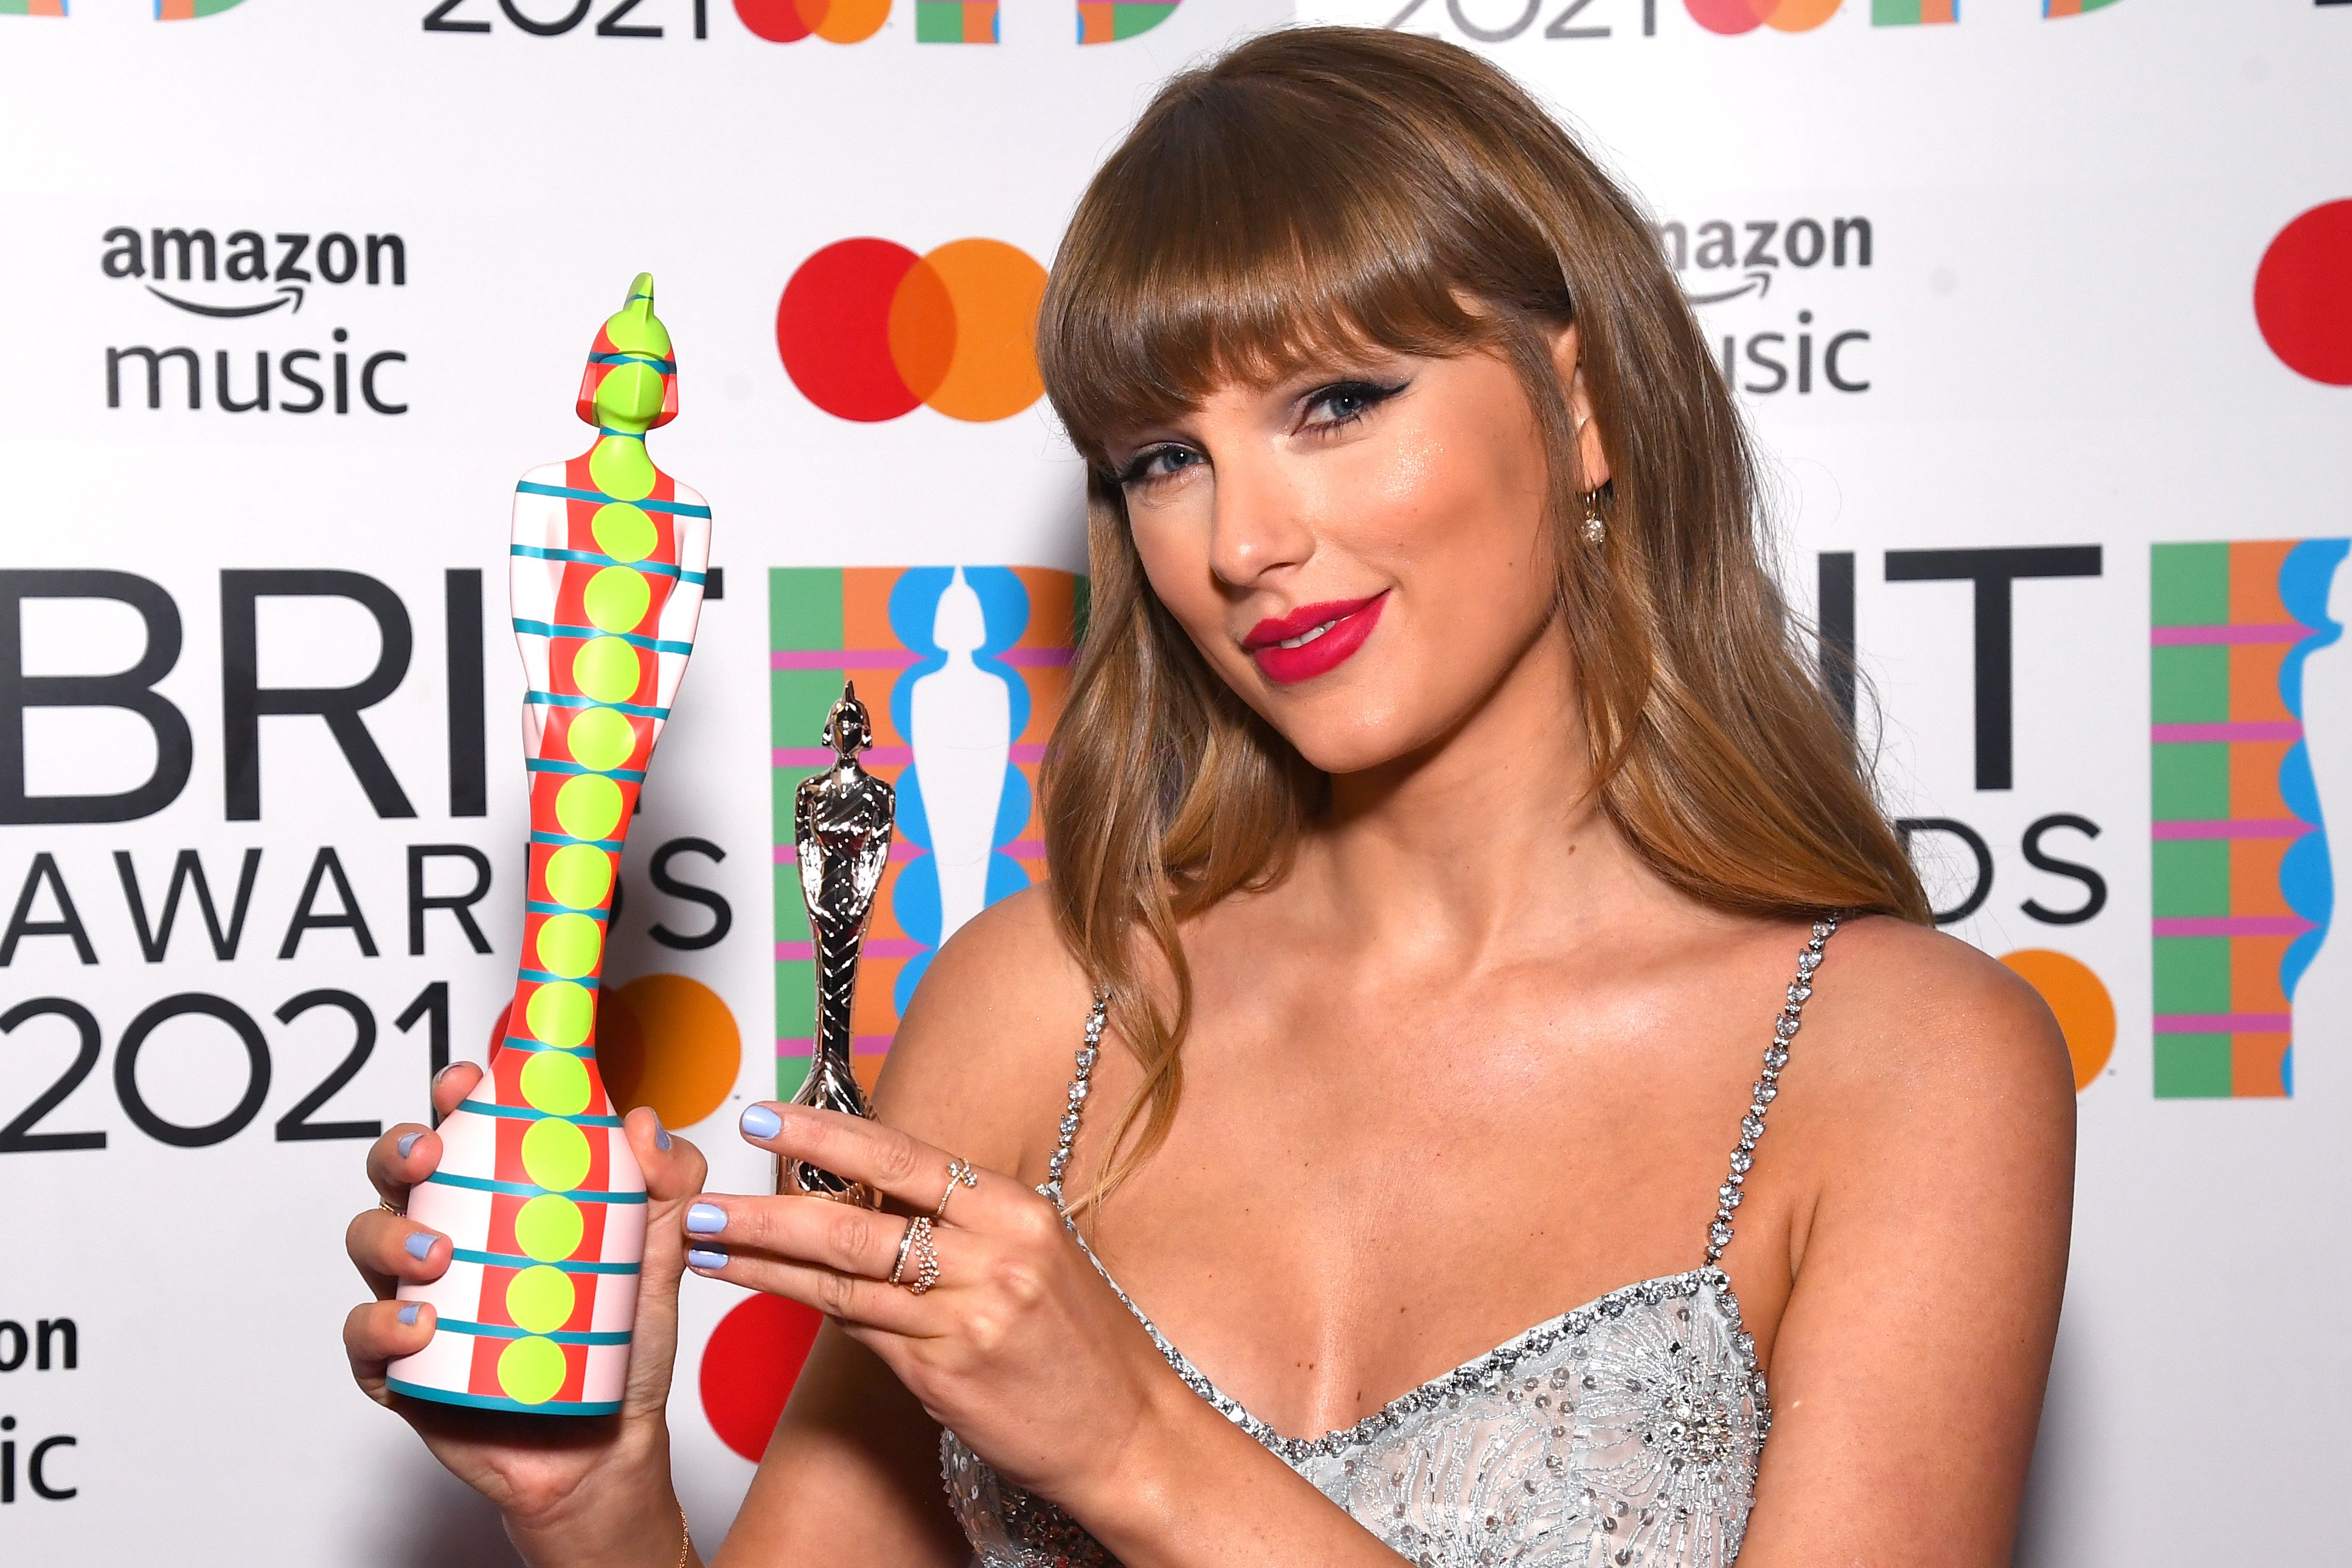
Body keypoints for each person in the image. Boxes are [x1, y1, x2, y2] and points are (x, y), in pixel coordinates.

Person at [343, 26, 2073, 1567]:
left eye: (1337, 401)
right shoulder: (1039, 1005)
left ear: (1585, 401)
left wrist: (1131, 1445)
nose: (1241, 542)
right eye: (1163, 457)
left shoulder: (1902, 1065)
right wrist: (594, 1503)